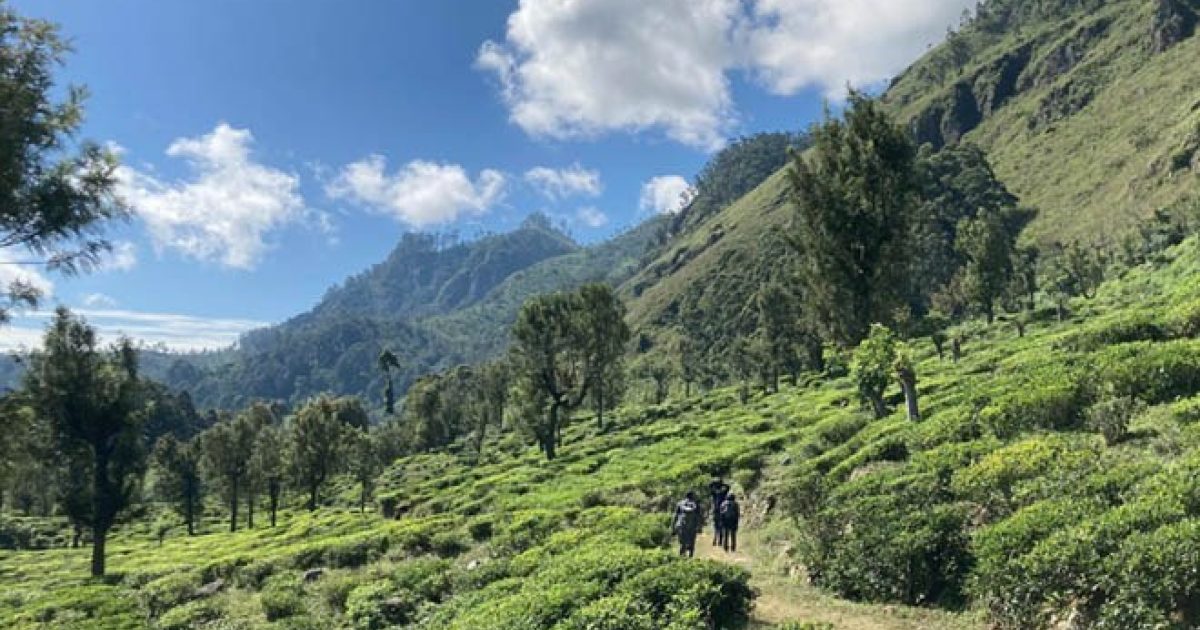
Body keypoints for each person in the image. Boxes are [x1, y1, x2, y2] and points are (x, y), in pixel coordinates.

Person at [673, 491, 702, 557]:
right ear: (693, 496)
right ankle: (690, 557)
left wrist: (673, 526)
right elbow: (699, 516)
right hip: (692, 526)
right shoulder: (696, 504)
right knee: (692, 542)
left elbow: (676, 515)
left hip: (681, 525)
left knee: (682, 543)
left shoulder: (680, 503)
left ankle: (681, 557)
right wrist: (699, 527)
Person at [709, 478, 731, 546]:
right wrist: (722, 483)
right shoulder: (722, 492)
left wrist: (714, 483)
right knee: (721, 525)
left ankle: (716, 540)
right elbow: (728, 487)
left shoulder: (715, 492)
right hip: (722, 510)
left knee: (717, 526)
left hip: (717, 510)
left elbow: (710, 486)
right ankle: (719, 540)